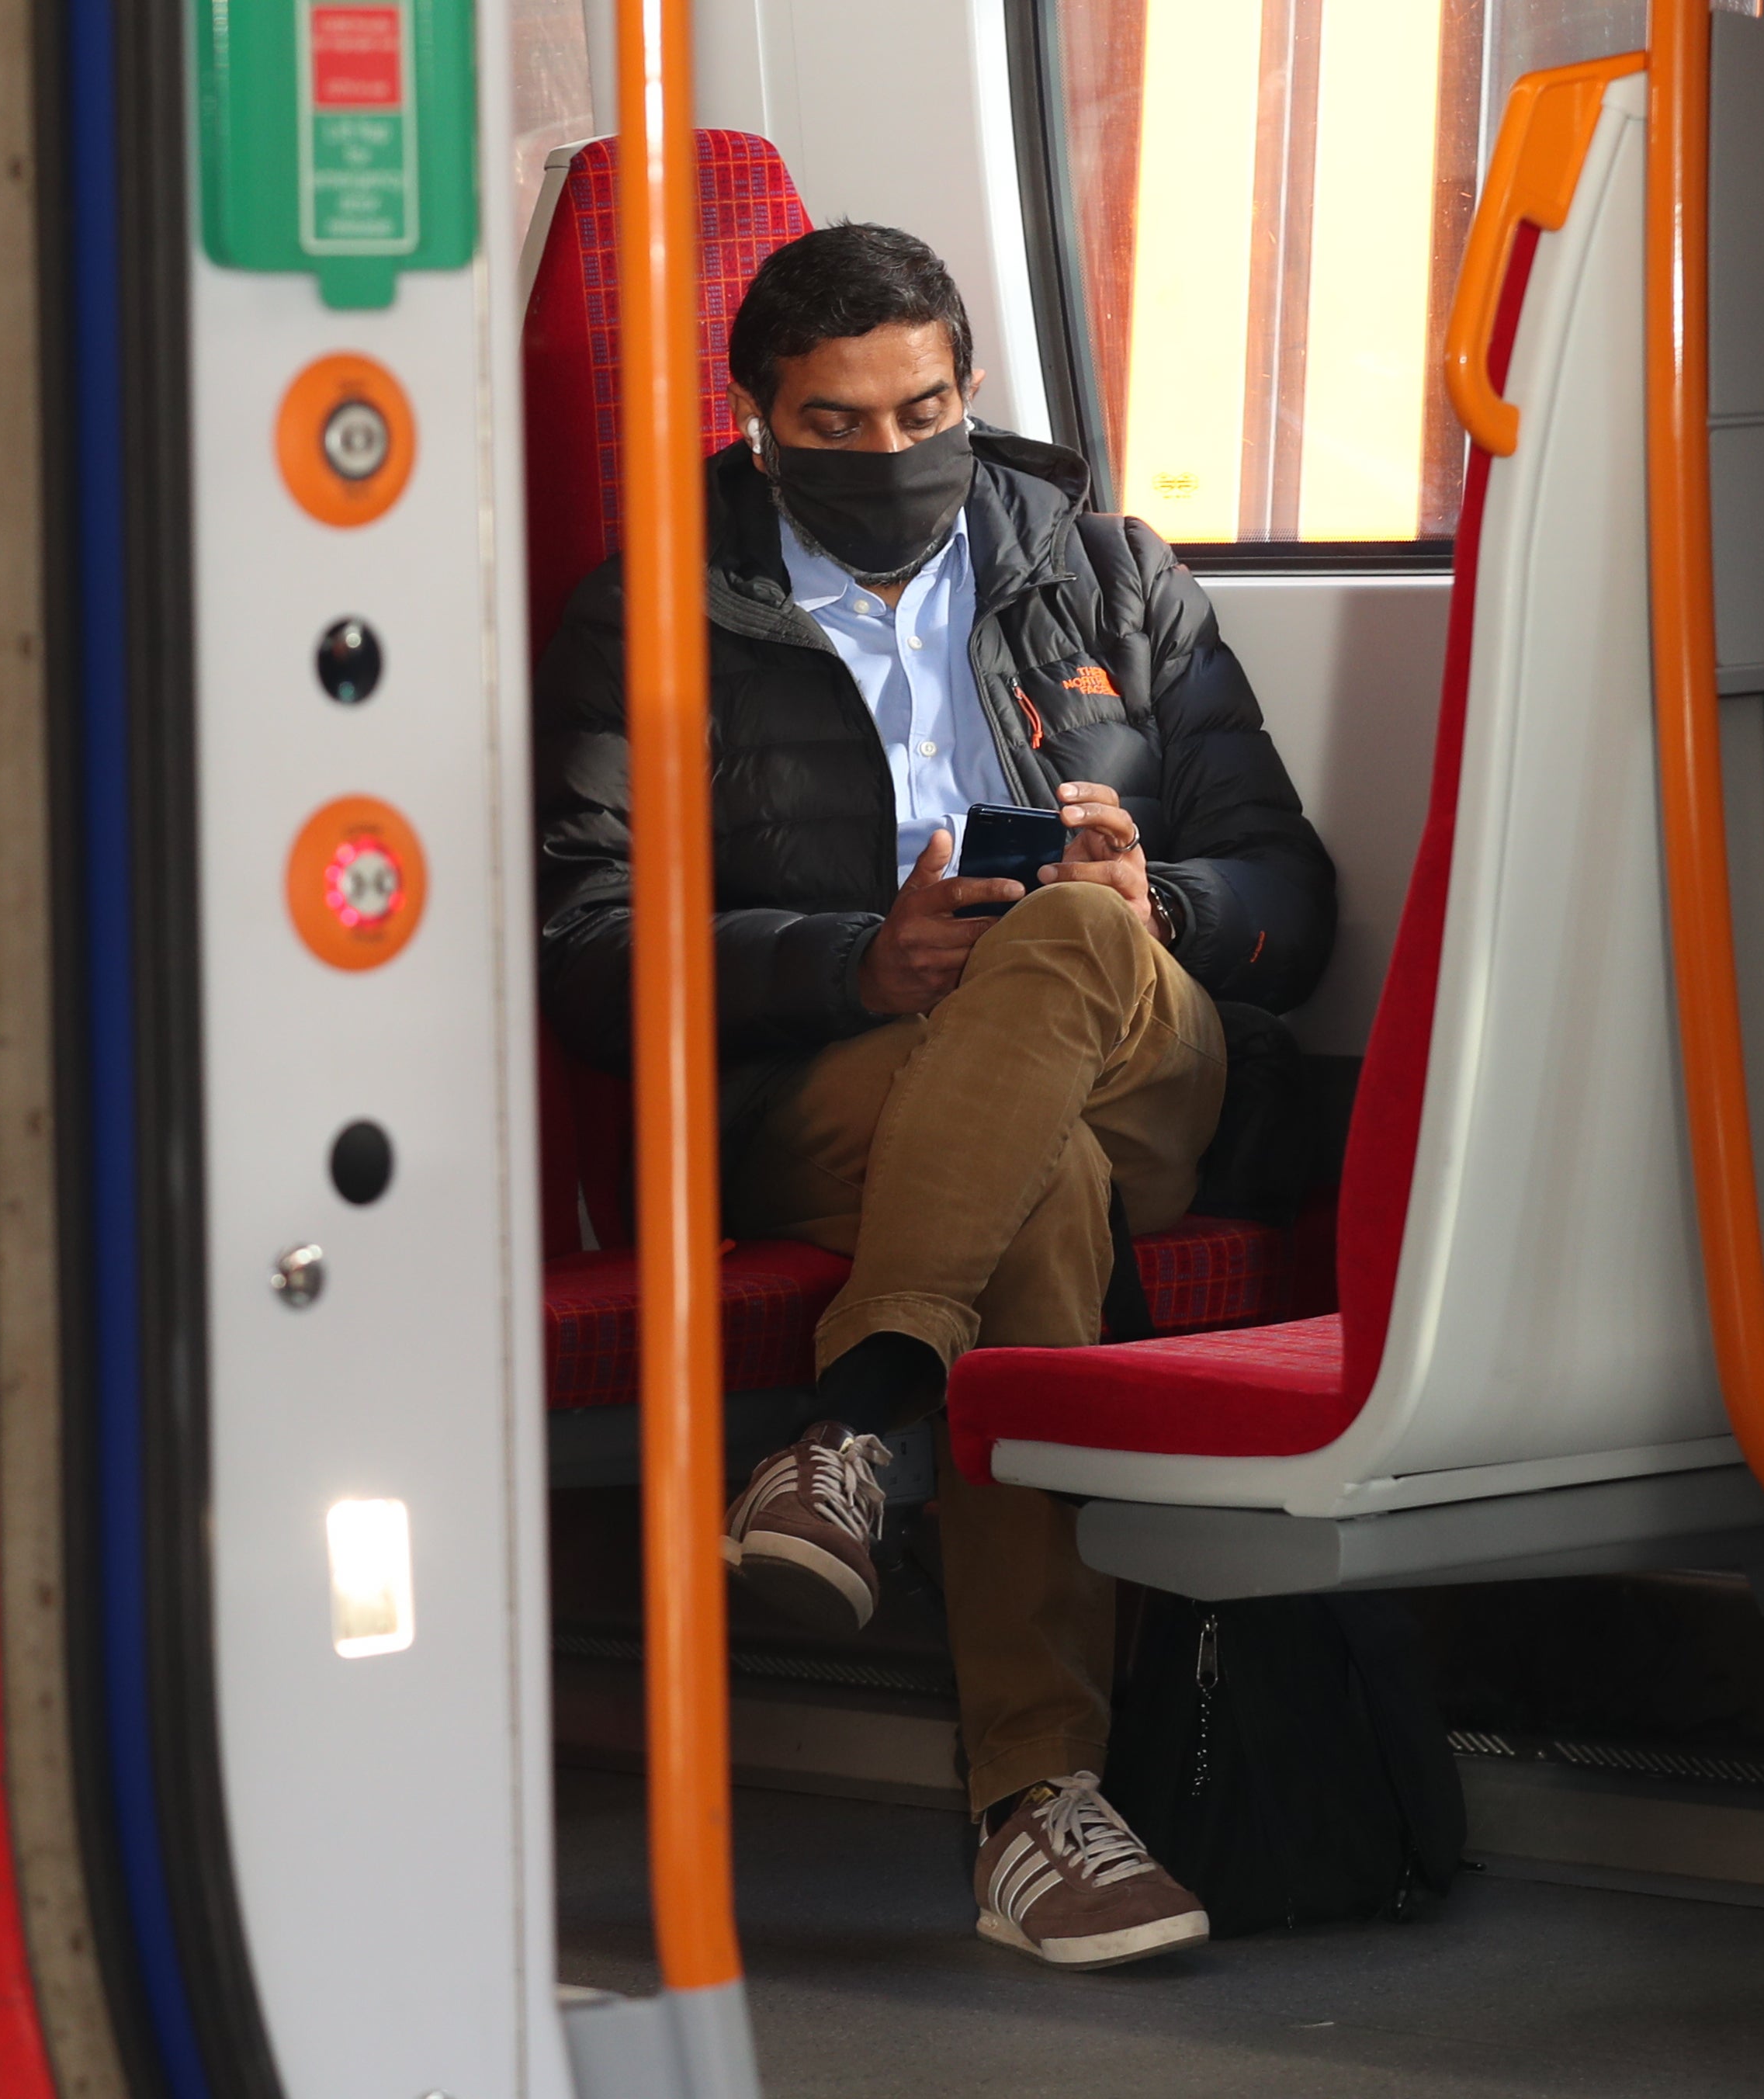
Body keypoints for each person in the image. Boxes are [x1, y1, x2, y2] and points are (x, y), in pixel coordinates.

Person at [535, 223, 1336, 1970]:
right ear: (758, 425)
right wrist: (851, 956)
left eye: (922, 410)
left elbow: (1294, 887)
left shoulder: (1109, 573)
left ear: (970, 392)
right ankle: (1037, 1802)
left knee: (1064, 931)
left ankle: (865, 1416)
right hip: (833, 1080)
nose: (888, 453)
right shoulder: (655, 607)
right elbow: (582, 944)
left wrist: (1163, 904)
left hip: (1149, 1059)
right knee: (1029, 1186)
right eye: (833, 426)